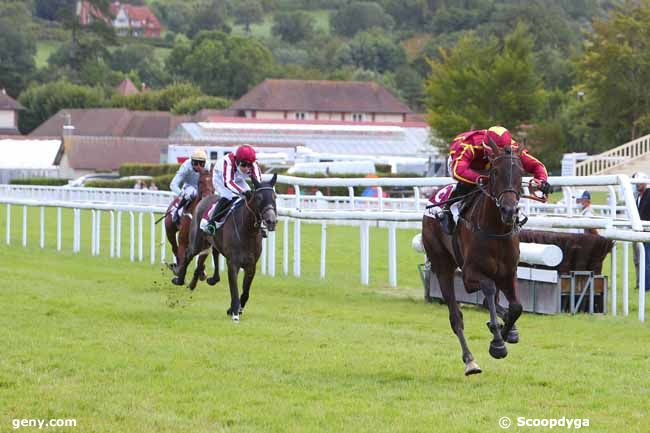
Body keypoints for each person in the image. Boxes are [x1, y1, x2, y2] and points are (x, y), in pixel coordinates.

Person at [438, 126, 550, 234]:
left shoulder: (513, 148)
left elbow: (537, 166)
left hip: (494, 169)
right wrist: (484, 179)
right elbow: (459, 171)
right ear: (486, 147)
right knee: (466, 186)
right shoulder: (469, 146)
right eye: (495, 153)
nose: (498, 155)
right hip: (466, 165)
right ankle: (448, 210)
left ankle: (512, 213)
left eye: (502, 152)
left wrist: (542, 180)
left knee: (508, 179)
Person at [200, 144, 262, 234]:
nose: (247, 168)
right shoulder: (228, 162)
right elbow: (228, 182)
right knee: (228, 196)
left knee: (250, 197)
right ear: (237, 161)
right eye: (244, 165)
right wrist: (243, 192)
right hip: (220, 179)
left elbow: (258, 183)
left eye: (249, 165)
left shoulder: (254, 165)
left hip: (238, 178)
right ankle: (212, 222)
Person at [169, 149, 208, 225]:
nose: (199, 166)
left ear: (205, 163)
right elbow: (173, 184)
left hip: (202, 187)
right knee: (190, 193)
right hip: (189, 186)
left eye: (201, 163)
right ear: (191, 162)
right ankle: (177, 212)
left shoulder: (208, 166)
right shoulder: (185, 166)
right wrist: (182, 194)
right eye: (196, 163)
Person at [632, 172, 650, 291]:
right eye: (636, 183)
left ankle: (647, 286)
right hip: (640, 232)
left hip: (647, 231)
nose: (637, 185)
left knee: (647, 260)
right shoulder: (637, 196)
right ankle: (641, 283)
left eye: (639, 182)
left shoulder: (648, 193)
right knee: (640, 260)